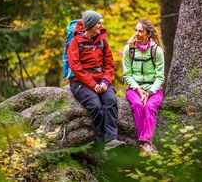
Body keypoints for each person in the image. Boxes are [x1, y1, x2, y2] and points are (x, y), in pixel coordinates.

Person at [67, 10, 125, 151]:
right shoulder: (75, 42)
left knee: (111, 101)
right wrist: (93, 85)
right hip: (80, 83)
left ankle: (111, 140)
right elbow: (76, 68)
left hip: (101, 81)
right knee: (96, 106)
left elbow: (109, 63)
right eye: (99, 22)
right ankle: (100, 141)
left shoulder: (102, 41)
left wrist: (105, 82)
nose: (101, 25)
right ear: (91, 24)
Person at [122, 19, 165, 156]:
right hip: (134, 89)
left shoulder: (156, 51)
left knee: (150, 107)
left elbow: (160, 77)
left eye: (140, 31)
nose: (136, 33)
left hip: (154, 90)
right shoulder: (129, 49)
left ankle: (146, 142)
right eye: (136, 30)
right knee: (137, 104)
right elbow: (127, 74)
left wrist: (149, 92)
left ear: (148, 34)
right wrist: (139, 90)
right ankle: (146, 144)